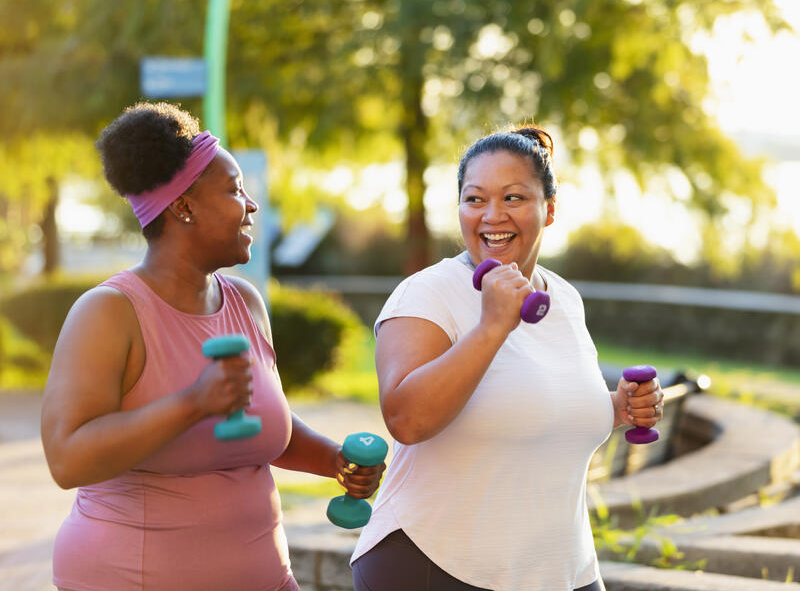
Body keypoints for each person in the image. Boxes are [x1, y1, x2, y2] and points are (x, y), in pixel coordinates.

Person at [40, 102, 385, 591]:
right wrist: (192, 403)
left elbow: (267, 428)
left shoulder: (244, 301)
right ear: (183, 206)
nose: (251, 205)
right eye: (234, 189)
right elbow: (68, 458)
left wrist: (333, 462)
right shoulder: (108, 312)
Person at [350, 125, 664, 591]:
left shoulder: (565, 298)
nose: (492, 215)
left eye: (514, 198)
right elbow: (407, 419)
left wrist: (615, 408)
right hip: (435, 566)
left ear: (550, 209)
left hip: (562, 572)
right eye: (474, 199)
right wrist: (492, 326)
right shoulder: (426, 293)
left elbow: (531, 407)